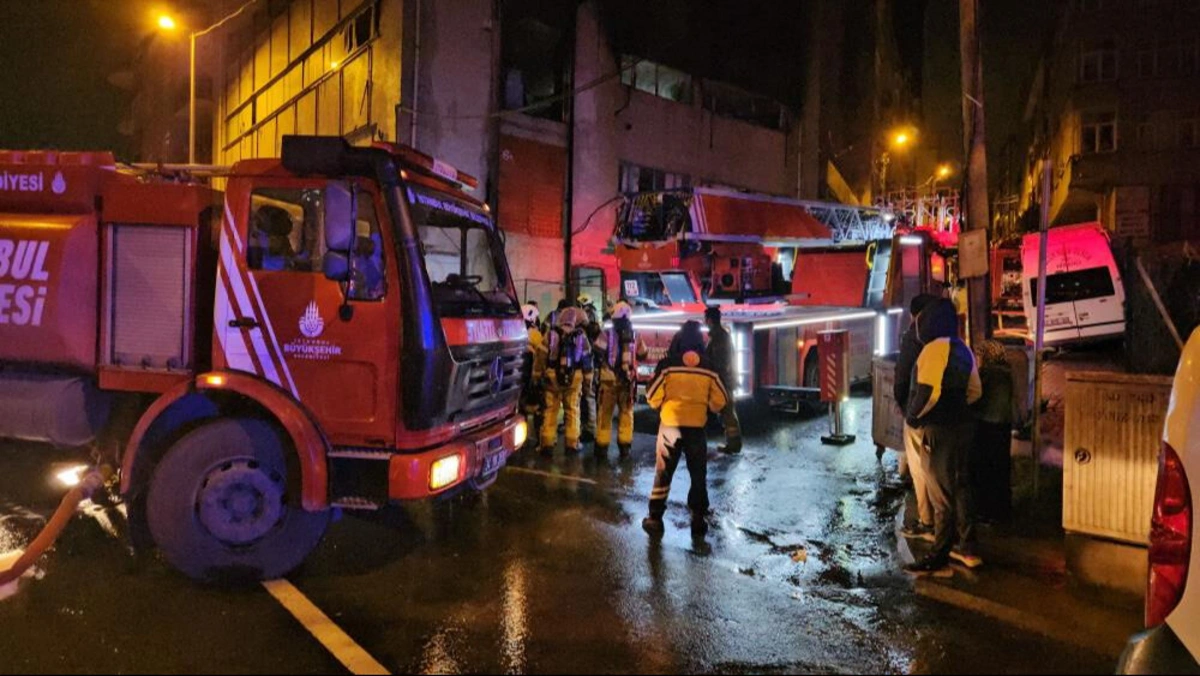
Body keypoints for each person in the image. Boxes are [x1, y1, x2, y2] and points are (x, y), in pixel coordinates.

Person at [903, 299, 983, 577]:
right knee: (962, 486)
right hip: (965, 427)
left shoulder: (932, 350)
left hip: (939, 429)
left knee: (940, 493)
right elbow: (975, 391)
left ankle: (939, 555)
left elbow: (929, 393)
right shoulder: (964, 349)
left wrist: (913, 417)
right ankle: (968, 548)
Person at [643, 320, 728, 538]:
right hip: (696, 429)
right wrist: (706, 406)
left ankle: (655, 518)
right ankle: (698, 519)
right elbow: (720, 400)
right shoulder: (709, 368)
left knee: (663, 473)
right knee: (698, 474)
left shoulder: (667, 365)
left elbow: (652, 398)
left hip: (670, 427)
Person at [895, 293, 939, 541]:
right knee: (937, 467)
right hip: (941, 416)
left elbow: (903, 374)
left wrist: (907, 410)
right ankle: (942, 520)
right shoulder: (947, 339)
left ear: (914, 315)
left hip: (918, 414)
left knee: (920, 468)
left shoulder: (916, 336)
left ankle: (927, 522)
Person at [593, 301, 648, 459]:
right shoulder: (635, 333)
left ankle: (602, 448)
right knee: (626, 414)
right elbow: (643, 354)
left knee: (605, 414)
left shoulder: (607, 333)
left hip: (608, 380)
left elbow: (597, 351)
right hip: (628, 382)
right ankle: (625, 448)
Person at [972, 340, 1015, 525]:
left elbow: (977, 397)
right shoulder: (1007, 373)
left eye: (980, 356)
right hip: (1003, 427)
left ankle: (986, 512)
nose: (978, 360)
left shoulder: (987, 374)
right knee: (1001, 469)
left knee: (986, 470)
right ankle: (1002, 511)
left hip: (987, 426)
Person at [538, 306, 591, 455]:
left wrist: (538, 375)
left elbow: (541, 356)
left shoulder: (551, 334)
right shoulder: (581, 336)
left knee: (550, 411)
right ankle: (572, 445)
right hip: (574, 380)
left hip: (552, 379)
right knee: (572, 411)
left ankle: (547, 444)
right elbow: (587, 361)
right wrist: (588, 382)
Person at [704, 306, 742, 455]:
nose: (704, 322)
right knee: (728, 413)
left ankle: (734, 445)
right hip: (726, 380)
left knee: (728, 414)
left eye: (705, 319)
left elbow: (719, 362)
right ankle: (733, 444)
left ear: (710, 320)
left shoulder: (719, 338)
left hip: (724, 381)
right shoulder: (720, 335)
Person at [520, 303, 545, 452]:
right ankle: (539, 440)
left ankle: (522, 439)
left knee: (520, 409)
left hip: (519, 378)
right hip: (532, 377)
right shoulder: (535, 334)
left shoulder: (517, 331)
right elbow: (542, 353)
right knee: (539, 410)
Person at [577, 293, 601, 443]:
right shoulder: (594, 321)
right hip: (593, 363)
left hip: (590, 364)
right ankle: (588, 427)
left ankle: (590, 429)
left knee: (588, 396)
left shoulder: (589, 323)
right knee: (588, 397)